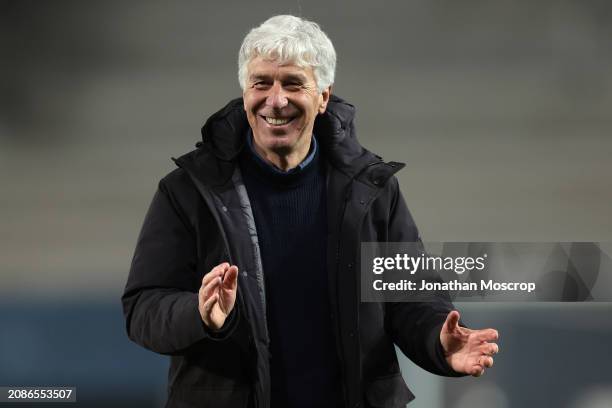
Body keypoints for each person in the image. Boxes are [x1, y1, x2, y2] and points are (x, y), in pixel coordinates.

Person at [122, 15, 499, 408]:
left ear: (323, 96)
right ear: (245, 90)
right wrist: (199, 314)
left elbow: (409, 299)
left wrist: (439, 340)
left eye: (293, 84)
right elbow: (142, 309)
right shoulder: (187, 191)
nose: (276, 100)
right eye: (261, 82)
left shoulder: (371, 189)